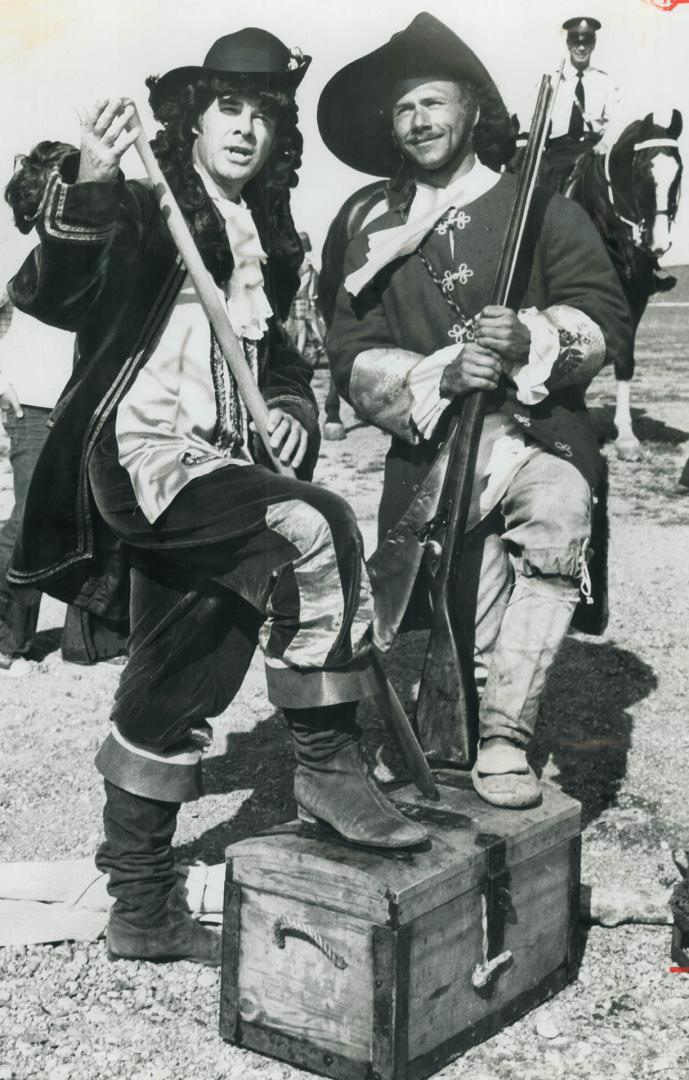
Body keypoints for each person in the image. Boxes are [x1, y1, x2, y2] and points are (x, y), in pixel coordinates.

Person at [8, 27, 427, 967]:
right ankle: (325, 764)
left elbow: (279, 365)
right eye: (228, 109)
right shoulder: (144, 206)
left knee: (183, 663)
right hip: (145, 460)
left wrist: (287, 412)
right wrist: (93, 173)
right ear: (192, 118)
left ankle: (141, 906)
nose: (246, 129)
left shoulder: (274, 240)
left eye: (264, 116)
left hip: (229, 465)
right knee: (315, 521)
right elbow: (49, 294)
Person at [320, 13, 631, 810]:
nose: (420, 121)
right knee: (449, 607)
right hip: (431, 450)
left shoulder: (544, 211)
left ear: (470, 112)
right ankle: (438, 741)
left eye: (434, 102)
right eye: (404, 109)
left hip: (534, 437)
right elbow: (350, 348)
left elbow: (601, 314)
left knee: (559, 512)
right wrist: (441, 371)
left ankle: (503, 735)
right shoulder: (365, 223)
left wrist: (530, 337)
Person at [0, 142, 128, 675]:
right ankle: (8, 639)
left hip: (84, 401)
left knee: (97, 515)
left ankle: (89, 639)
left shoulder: (101, 247)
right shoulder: (18, 248)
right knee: (32, 518)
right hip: (29, 398)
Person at [545, 16, 622, 192]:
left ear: (593, 45)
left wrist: (605, 143)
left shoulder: (605, 81)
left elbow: (616, 119)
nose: (581, 48)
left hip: (592, 150)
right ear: (568, 44)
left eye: (586, 43)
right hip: (560, 151)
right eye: (575, 42)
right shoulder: (554, 80)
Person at [285, 231, 326, 366]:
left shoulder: (297, 261)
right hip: (304, 298)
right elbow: (311, 276)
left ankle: (299, 354)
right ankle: (304, 352)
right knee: (304, 326)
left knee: (299, 327)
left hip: (298, 297)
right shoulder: (307, 259)